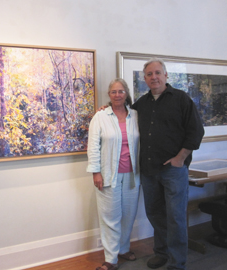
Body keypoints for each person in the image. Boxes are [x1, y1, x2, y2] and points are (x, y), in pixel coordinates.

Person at [132, 58, 204, 270]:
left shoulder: (181, 99)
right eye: (149, 74)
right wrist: (107, 108)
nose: (153, 77)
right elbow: (123, 116)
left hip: (173, 170)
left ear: (166, 75)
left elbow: (196, 131)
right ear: (144, 79)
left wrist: (180, 158)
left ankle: (177, 262)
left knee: (175, 217)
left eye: (157, 73)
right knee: (155, 214)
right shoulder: (141, 104)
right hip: (148, 170)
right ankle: (161, 253)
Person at [87, 78, 141, 270]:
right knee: (110, 217)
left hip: (133, 175)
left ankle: (124, 249)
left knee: (128, 214)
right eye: (113, 92)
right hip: (108, 175)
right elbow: (93, 147)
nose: (117, 95)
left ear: (126, 94)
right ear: (109, 95)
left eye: (121, 91)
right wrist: (96, 172)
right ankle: (111, 258)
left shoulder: (135, 115)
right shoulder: (100, 117)